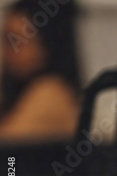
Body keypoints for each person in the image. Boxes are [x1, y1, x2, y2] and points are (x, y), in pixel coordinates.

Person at [0, 0, 80, 143]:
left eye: (17, 41)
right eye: (6, 40)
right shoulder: (26, 93)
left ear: (47, 44)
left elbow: (8, 152)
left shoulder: (51, 93)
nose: (6, 52)